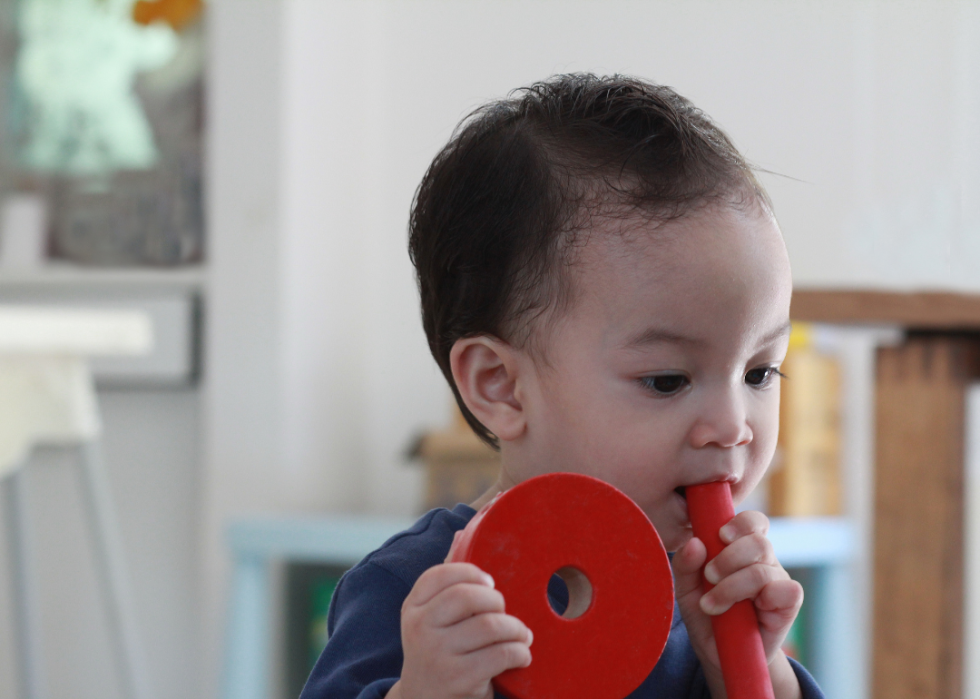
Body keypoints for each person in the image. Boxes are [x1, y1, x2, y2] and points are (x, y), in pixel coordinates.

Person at [300, 73, 824, 699]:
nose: (734, 425)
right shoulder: (417, 588)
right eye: (667, 380)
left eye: (760, 372)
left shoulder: (709, 596)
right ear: (502, 387)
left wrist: (754, 668)